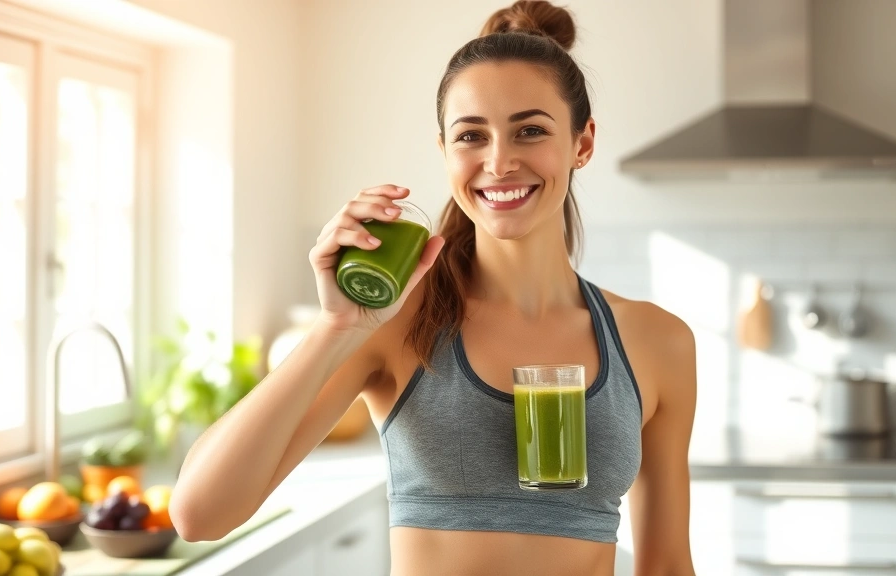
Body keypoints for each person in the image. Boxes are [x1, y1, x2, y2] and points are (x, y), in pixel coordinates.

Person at [170, 1, 697, 574]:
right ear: (444, 150)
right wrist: (337, 328)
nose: (499, 162)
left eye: (531, 130)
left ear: (582, 143)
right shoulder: (399, 321)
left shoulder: (656, 341)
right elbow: (199, 516)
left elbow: (667, 564)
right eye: (472, 135)